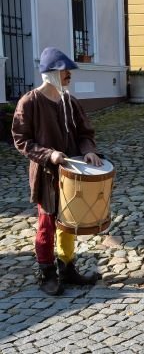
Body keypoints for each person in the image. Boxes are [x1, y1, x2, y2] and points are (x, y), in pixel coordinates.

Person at [12, 47, 101, 296]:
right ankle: (47, 272)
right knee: (47, 222)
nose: (69, 75)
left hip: (72, 173)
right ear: (50, 73)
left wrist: (88, 151)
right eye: (64, 71)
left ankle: (67, 267)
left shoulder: (69, 101)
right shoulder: (29, 102)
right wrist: (49, 155)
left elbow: (85, 133)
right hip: (46, 174)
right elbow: (21, 140)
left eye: (69, 71)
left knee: (69, 221)